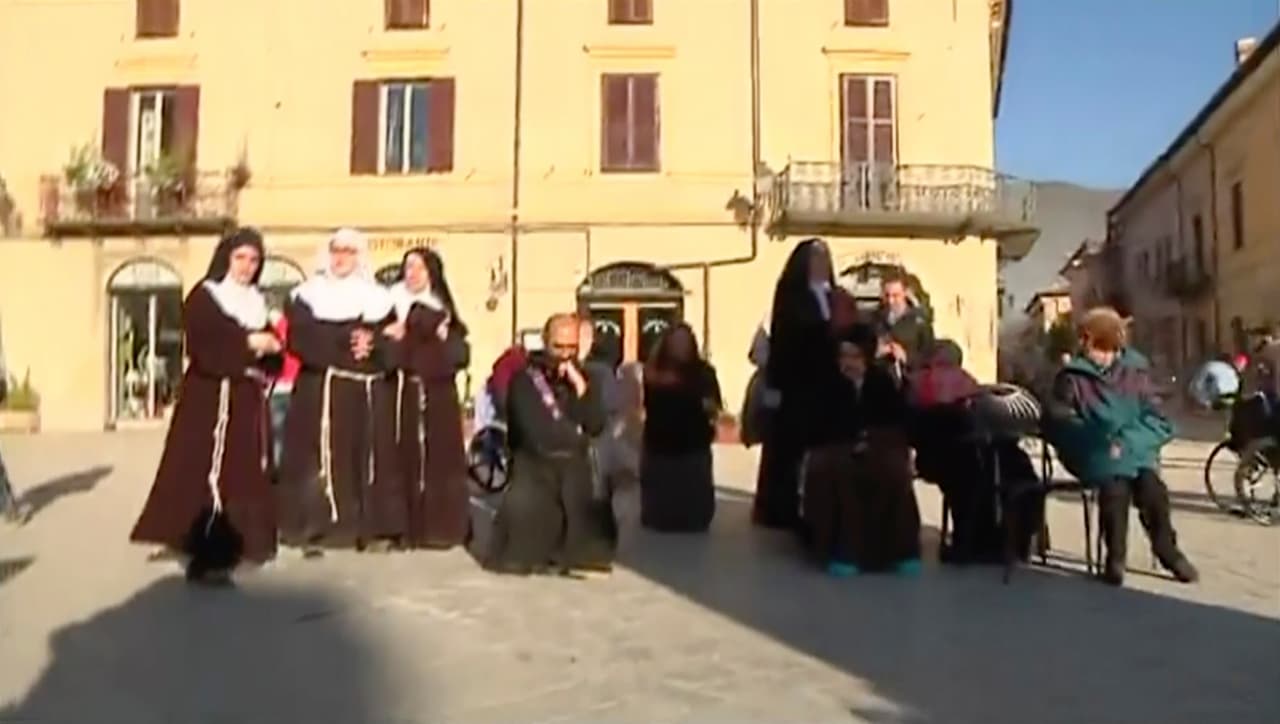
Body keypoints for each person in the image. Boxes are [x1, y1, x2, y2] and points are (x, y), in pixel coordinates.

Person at [129, 228, 283, 585]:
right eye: (240, 258)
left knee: (243, 470)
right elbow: (204, 343)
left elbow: (273, 352)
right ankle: (203, 546)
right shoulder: (205, 296)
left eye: (254, 260)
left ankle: (244, 541)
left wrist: (270, 349)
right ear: (226, 259)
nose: (247, 266)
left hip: (245, 398)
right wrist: (250, 342)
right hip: (208, 398)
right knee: (199, 468)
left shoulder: (258, 302)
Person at [1046, 307, 1199, 586]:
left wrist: (1127, 442)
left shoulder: (1136, 373)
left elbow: (1157, 418)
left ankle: (1168, 551)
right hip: (1095, 454)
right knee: (1114, 488)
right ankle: (1115, 557)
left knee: (1153, 489)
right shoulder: (1071, 378)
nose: (1104, 356)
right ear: (1085, 343)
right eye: (1098, 348)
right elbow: (1060, 423)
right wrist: (1100, 441)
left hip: (1134, 452)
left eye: (1110, 349)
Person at [277, 228, 406, 554]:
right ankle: (316, 529)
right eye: (337, 250)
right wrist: (353, 341)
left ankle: (373, 529)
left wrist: (373, 344)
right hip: (321, 390)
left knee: (368, 457)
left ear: (359, 256)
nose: (342, 257)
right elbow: (301, 339)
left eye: (349, 251)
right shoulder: (305, 296)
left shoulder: (380, 298)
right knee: (318, 459)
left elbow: (393, 345)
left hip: (367, 394)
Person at [482, 313, 610, 576]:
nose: (564, 355)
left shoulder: (585, 379)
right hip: (536, 466)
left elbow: (596, 425)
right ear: (545, 342)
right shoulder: (525, 379)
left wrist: (581, 391)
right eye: (558, 347)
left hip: (573, 466)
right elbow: (533, 431)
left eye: (571, 348)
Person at [802, 324, 920, 576]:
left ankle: (903, 551)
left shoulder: (881, 382)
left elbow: (896, 420)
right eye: (843, 356)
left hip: (878, 447)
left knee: (895, 473)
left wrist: (874, 438)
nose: (848, 362)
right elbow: (816, 426)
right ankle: (846, 552)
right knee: (843, 476)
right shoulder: (827, 384)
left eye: (854, 356)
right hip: (838, 447)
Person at [754, 238, 854, 530]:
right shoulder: (792, 294)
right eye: (816, 257)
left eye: (825, 257)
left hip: (829, 384)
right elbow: (790, 337)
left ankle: (819, 505)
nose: (822, 263)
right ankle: (781, 509)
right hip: (798, 382)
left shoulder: (835, 295)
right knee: (790, 450)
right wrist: (827, 332)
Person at [385, 247, 471, 549]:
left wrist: (440, 334)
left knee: (441, 462)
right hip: (401, 392)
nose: (413, 274)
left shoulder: (444, 311)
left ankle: (442, 528)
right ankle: (404, 528)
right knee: (403, 458)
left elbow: (461, 355)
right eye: (408, 267)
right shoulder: (390, 305)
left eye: (421, 268)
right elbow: (390, 353)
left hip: (439, 396)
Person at [640, 323, 723, 533]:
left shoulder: (704, 372)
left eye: (684, 342)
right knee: (661, 501)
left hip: (693, 444)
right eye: (676, 341)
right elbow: (647, 404)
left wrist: (709, 407)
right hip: (661, 444)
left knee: (694, 499)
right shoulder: (652, 373)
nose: (680, 347)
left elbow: (714, 404)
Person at [873, 273, 934, 371]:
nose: (890, 301)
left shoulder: (920, 321)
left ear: (905, 293)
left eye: (895, 296)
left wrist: (906, 357)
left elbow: (929, 356)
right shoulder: (875, 318)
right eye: (887, 295)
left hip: (910, 378)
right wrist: (876, 352)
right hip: (881, 378)